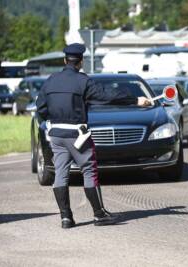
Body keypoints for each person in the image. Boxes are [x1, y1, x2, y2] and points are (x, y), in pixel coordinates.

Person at [36, 43, 152, 229]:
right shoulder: (83, 81)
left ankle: (66, 217)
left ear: (65, 60)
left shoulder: (50, 80)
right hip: (77, 134)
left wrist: (51, 122)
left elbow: (40, 108)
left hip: (56, 134)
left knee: (61, 174)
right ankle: (99, 215)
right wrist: (136, 100)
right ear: (80, 62)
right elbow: (108, 96)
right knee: (89, 170)